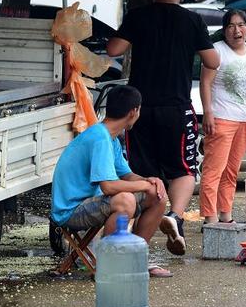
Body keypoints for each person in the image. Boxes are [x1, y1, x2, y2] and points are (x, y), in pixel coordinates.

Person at [107, 0, 219, 256]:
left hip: (138, 110)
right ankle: (176, 216)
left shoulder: (138, 17)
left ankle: (130, 226)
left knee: (140, 170)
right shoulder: (192, 20)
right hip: (176, 107)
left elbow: (113, 50)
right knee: (183, 169)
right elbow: (213, 62)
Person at [50, 85, 172, 277]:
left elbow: (127, 175)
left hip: (89, 204)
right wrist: (142, 185)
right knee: (125, 200)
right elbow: (108, 187)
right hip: (69, 211)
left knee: (157, 196)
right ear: (134, 112)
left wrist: (150, 181)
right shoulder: (100, 138)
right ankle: (108, 267)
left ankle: (135, 259)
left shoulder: (111, 138)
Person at [199, 9, 246, 225]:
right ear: (224, 31)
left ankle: (226, 214)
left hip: (245, 119)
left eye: (241, 25)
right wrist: (208, 112)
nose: (237, 30)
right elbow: (205, 83)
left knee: (232, 171)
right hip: (222, 117)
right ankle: (210, 217)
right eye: (231, 26)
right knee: (214, 170)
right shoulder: (217, 51)